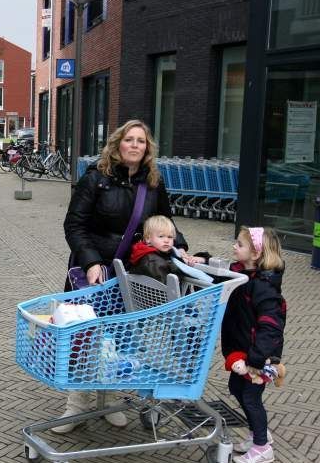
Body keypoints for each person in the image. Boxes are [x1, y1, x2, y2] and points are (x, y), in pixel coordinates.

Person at [57, 120, 195, 433]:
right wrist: (91, 261)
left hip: (130, 274)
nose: (134, 145)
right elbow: (74, 226)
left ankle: (107, 401)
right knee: (85, 336)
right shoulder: (95, 179)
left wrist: (182, 248)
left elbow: (166, 224)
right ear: (118, 143)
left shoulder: (154, 184)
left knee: (118, 338)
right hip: (93, 271)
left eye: (141, 141)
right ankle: (76, 405)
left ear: (147, 149)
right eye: (129, 139)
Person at [222, 227, 286, 463]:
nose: (234, 247)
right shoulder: (241, 273)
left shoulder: (264, 287)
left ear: (255, 253)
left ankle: (262, 448)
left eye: (239, 244)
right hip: (243, 351)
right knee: (236, 388)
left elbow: (271, 327)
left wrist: (257, 360)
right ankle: (257, 433)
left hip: (259, 356)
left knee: (250, 397)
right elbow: (222, 274)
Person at [129, 215, 205, 284]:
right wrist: (181, 267)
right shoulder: (152, 261)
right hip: (165, 298)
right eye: (161, 236)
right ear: (148, 239)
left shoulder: (166, 253)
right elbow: (168, 285)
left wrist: (199, 259)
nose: (166, 240)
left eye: (170, 237)